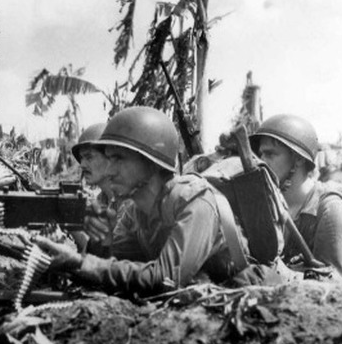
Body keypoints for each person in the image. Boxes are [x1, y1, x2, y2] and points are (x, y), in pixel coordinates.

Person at [36, 106, 252, 297]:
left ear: (152, 161)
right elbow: (115, 268)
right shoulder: (134, 211)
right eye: (109, 160)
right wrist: (102, 239)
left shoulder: (195, 202)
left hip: (245, 292)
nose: (110, 171)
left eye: (119, 159)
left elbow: (166, 280)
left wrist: (81, 263)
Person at [250, 114, 342, 280]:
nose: (261, 162)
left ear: (297, 160)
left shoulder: (332, 213)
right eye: (260, 155)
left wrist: (284, 275)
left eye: (270, 154)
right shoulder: (271, 209)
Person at [70, 122, 120, 256]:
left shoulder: (129, 203)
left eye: (89, 157)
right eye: (81, 158)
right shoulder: (101, 199)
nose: (82, 164)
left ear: (110, 158)